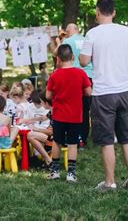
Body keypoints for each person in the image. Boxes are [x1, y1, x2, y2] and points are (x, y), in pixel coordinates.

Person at [79, 0, 128, 191]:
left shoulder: (92, 34)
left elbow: (83, 61)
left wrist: (82, 55)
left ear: (97, 12)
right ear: (114, 12)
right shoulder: (126, 32)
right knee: (126, 138)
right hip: (124, 91)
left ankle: (110, 183)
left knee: (107, 140)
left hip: (102, 94)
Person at [46, 44, 92, 182]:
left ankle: (55, 171)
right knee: (73, 143)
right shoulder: (81, 73)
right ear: (72, 57)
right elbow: (88, 92)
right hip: (75, 115)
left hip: (59, 114)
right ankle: (71, 173)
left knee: (57, 141)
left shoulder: (54, 75)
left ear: (58, 59)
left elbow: (48, 95)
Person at [62, 23, 94, 148]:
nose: (66, 32)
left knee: (74, 107)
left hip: (74, 76)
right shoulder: (86, 40)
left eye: (67, 30)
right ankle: (84, 137)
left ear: (70, 30)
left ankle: (75, 136)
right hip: (89, 75)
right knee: (86, 108)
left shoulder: (67, 41)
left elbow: (56, 53)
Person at [22, 91, 52, 167]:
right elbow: (42, 118)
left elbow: (51, 132)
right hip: (51, 139)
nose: (41, 105)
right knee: (31, 136)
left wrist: (36, 129)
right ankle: (46, 159)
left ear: (46, 102)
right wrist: (28, 120)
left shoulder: (55, 112)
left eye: (41, 102)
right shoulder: (51, 112)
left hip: (55, 141)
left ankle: (47, 159)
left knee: (30, 135)